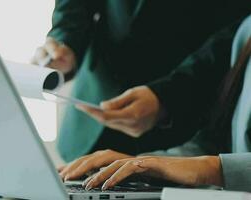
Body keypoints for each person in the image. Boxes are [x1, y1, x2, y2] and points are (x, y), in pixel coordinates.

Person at [31, 0, 250, 162]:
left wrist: (168, 97)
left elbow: (239, 29)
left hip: (182, 123)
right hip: (92, 113)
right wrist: (65, 41)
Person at [58, 16, 251, 192]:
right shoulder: (246, 31)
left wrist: (214, 168)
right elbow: (216, 145)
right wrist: (143, 165)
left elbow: (213, 164)